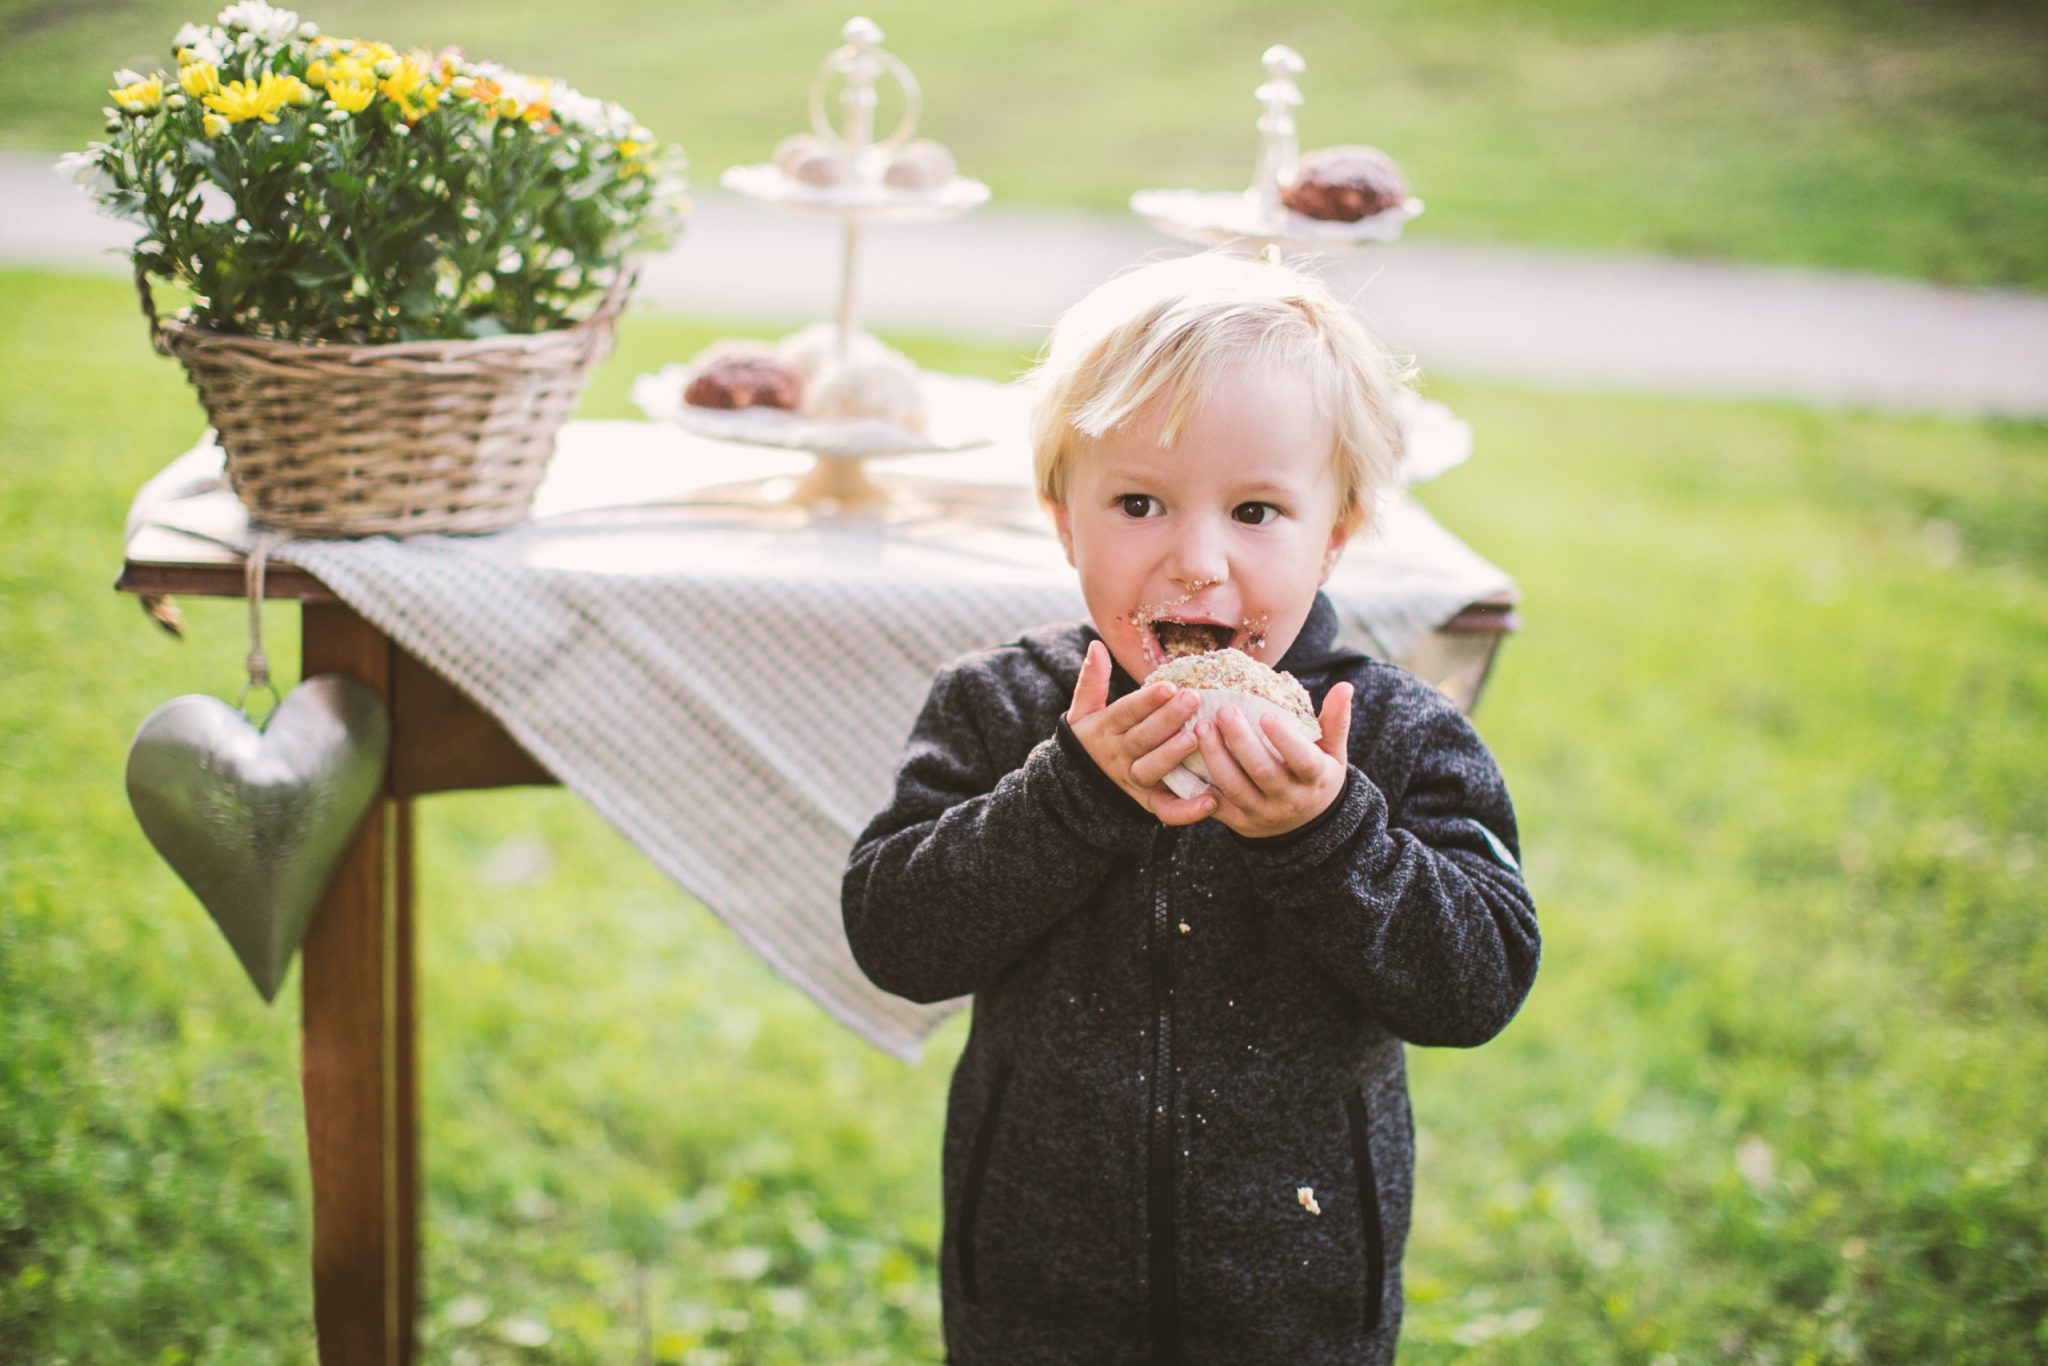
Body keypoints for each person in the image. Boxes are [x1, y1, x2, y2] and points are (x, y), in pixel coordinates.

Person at [841, 250, 1540, 1364]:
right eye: (1136, 503)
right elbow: (893, 937)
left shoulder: (1395, 732)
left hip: (1295, 1300)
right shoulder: (1002, 707)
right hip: (1033, 1292)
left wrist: (1326, 835)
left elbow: (1477, 982)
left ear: (1338, 531)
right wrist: (1065, 795)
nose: (1196, 561)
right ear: (1063, 519)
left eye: (1256, 509)